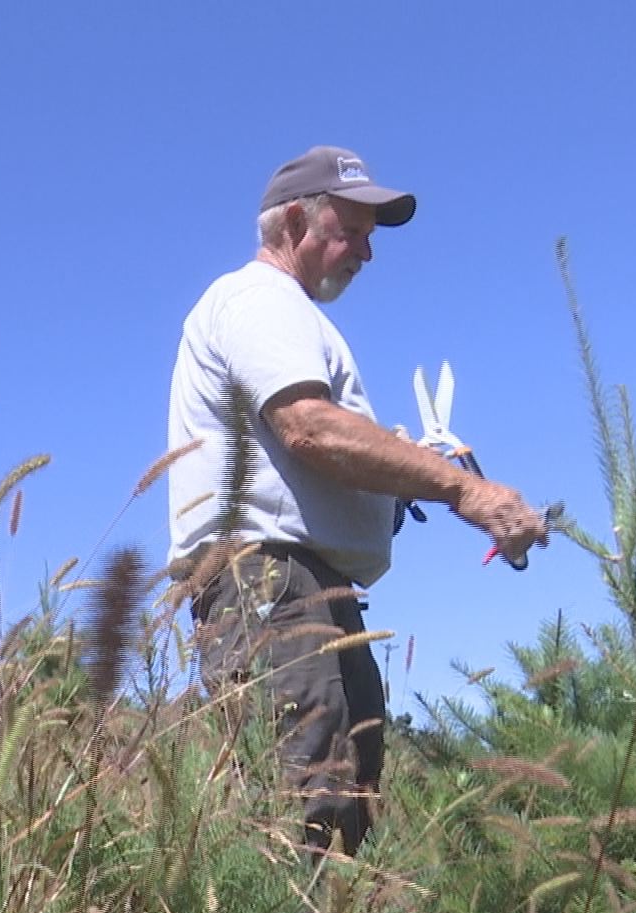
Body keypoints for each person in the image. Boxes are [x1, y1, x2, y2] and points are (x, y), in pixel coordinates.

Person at [166, 145, 548, 860]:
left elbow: (314, 440)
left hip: (310, 591)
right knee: (300, 805)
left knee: (346, 804)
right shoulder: (259, 299)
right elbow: (308, 426)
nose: (368, 253)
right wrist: (466, 487)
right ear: (291, 220)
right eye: (354, 229)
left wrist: (388, 467)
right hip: (271, 585)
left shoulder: (289, 314)